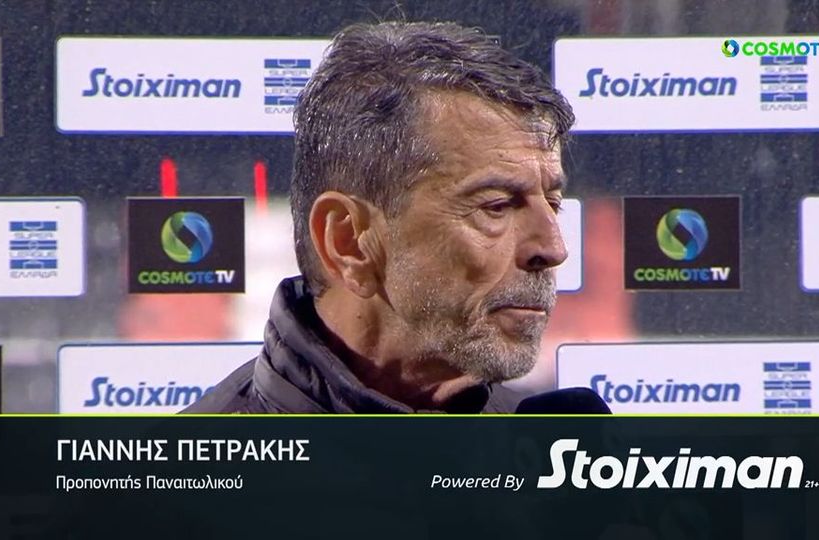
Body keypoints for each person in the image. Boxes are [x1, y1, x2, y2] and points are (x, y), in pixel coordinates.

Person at [184, 20, 574, 414]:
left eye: (553, 203)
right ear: (349, 242)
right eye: (496, 206)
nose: (554, 249)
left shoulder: (544, 440)